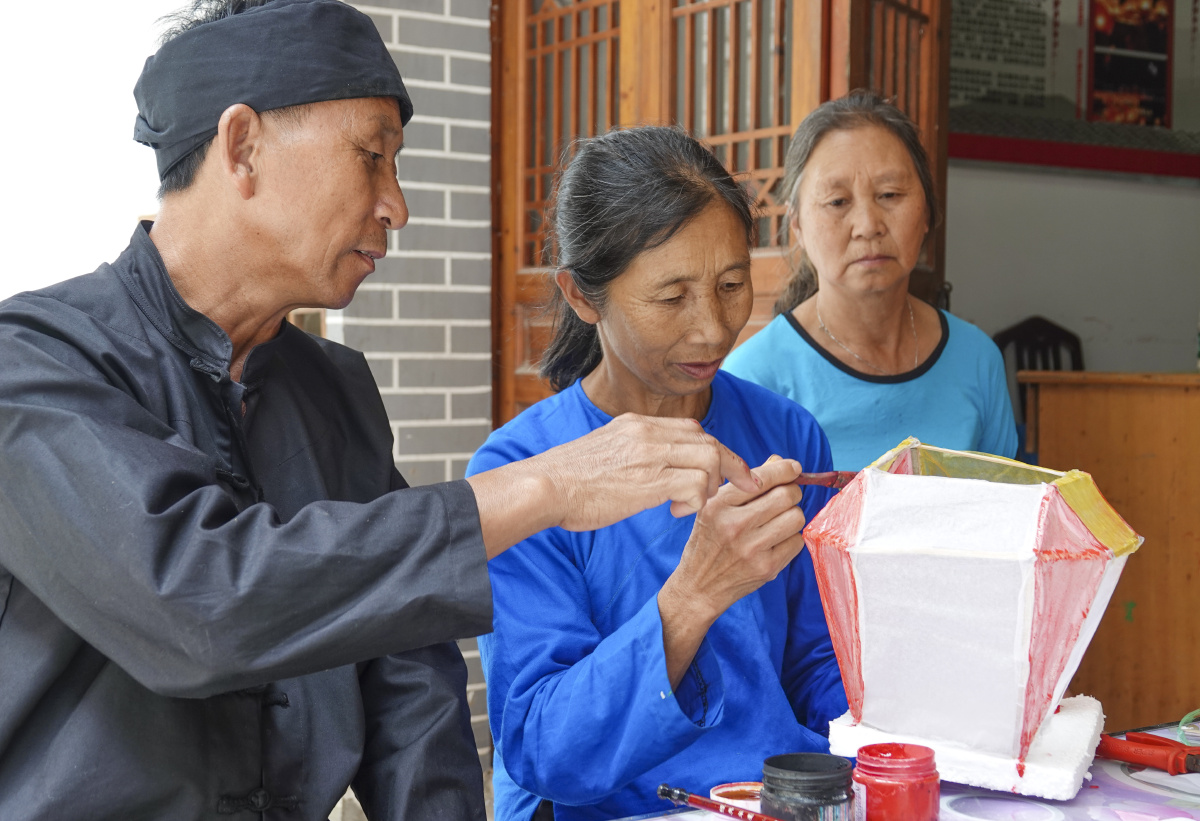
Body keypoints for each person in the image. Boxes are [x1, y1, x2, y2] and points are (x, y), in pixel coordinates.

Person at [0, 3, 760, 819]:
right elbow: (198, 603)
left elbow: (411, 701)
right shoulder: (37, 361)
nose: (396, 204)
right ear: (242, 146)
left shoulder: (336, 390)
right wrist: (543, 489)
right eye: (372, 156)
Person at [468, 127, 848, 821]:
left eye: (733, 285)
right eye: (671, 298)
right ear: (583, 296)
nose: (711, 328)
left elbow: (821, 664)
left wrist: (897, 733)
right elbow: (542, 746)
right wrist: (695, 594)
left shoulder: (787, 436)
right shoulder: (520, 473)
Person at [723, 91, 1017, 470]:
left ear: (926, 211)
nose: (868, 226)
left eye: (890, 194)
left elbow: (1009, 516)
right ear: (796, 224)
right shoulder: (751, 378)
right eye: (837, 202)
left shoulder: (977, 359)